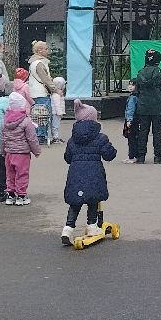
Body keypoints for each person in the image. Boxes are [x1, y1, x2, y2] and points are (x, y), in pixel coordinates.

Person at [61, 100, 116, 246]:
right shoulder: (100, 137)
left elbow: (67, 157)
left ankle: (68, 228)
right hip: (94, 174)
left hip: (75, 174)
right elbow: (109, 155)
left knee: (75, 202)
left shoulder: (73, 139)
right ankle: (92, 226)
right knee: (93, 199)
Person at [1, 91, 41, 205]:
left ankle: (10, 194)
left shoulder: (4, 120)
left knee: (10, 174)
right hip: (22, 153)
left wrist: (2, 150)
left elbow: (2, 137)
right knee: (22, 174)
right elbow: (32, 138)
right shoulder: (26, 121)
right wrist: (36, 151)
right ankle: (21, 195)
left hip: (9, 152)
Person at [132, 48, 161, 164]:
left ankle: (140, 156)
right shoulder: (160, 73)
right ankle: (158, 156)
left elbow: (136, 91)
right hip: (158, 107)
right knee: (157, 132)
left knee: (143, 131)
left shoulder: (140, 73)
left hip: (143, 107)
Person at [25, 41, 54, 144]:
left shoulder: (33, 62)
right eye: (46, 49)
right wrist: (55, 89)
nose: (48, 50)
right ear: (39, 50)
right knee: (43, 114)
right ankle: (41, 135)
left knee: (36, 115)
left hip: (34, 92)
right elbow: (46, 79)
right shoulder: (39, 63)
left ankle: (37, 134)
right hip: (41, 92)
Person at [49, 76, 66, 145]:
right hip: (55, 113)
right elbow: (57, 105)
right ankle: (55, 138)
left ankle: (55, 137)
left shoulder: (57, 94)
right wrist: (60, 113)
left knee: (55, 125)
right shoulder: (56, 95)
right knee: (55, 126)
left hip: (56, 113)